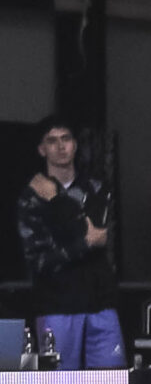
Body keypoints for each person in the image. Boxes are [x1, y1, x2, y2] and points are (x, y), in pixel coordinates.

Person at [15, 117, 121, 369]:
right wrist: (83, 244)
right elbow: (38, 259)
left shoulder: (97, 188)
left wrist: (56, 201)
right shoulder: (32, 196)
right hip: (56, 304)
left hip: (101, 302)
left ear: (75, 145)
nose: (60, 146)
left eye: (66, 139)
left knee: (111, 382)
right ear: (42, 149)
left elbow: (98, 236)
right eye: (52, 141)